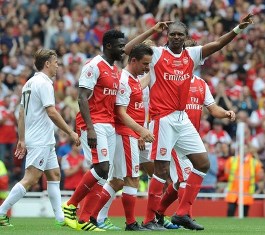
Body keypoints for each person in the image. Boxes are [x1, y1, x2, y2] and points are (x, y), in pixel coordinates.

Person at [124, 15, 253, 230]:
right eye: (172, 34)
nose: (175, 37)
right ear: (167, 35)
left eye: (179, 34)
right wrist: (151, 31)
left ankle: (182, 213)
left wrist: (238, 28)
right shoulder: (156, 54)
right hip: (162, 118)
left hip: (181, 117)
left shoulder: (191, 55)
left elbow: (218, 44)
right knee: (162, 171)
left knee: (203, 163)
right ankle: (149, 220)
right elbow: (129, 49)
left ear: (185, 37)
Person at [155, 39, 235, 226]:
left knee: (178, 184)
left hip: (189, 136)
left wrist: (226, 113)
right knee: (186, 175)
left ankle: (159, 212)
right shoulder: (169, 79)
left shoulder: (201, 84)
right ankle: (184, 215)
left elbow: (213, 109)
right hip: (172, 134)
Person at [0, 49, 80, 227]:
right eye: (56, 62)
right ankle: (1, 211)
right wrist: (70, 132)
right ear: (47, 64)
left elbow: (21, 112)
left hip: (43, 138)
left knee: (54, 174)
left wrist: (22, 138)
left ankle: (60, 218)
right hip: (40, 139)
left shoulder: (29, 83)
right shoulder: (44, 83)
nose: (58, 65)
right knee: (31, 178)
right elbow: (51, 111)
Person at [61, 29, 126, 231]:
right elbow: (82, 97)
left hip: (108, 124)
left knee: (103, 173)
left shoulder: (115, 69)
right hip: (93, 123)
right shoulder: (93, 65)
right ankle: (71, 205)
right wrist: (89, 129)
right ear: (108, 46)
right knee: (102, 168)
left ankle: (85, 219)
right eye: (120, 46)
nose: (123, 49)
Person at [88, 43, 154, 231]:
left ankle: (92, 216)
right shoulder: (124, 79)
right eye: (145, 64)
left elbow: (139, 90)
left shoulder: (132, 78)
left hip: (128, 134)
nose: (147, 67)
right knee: (131, 179)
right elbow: (121, 112)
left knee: (117, 180)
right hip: (126, 134)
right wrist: (141, 131)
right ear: (133, 60)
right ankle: (131, 223)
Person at [225, 144, 263, 217]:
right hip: (233, 192)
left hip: (246, 193)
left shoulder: (254, 162)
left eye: (245, 149)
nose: (244, 150)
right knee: (230, 212)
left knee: (244, 215)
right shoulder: (232, 160)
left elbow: (259, 175)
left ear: (248, 150)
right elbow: (226, 173)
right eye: (242, 148)